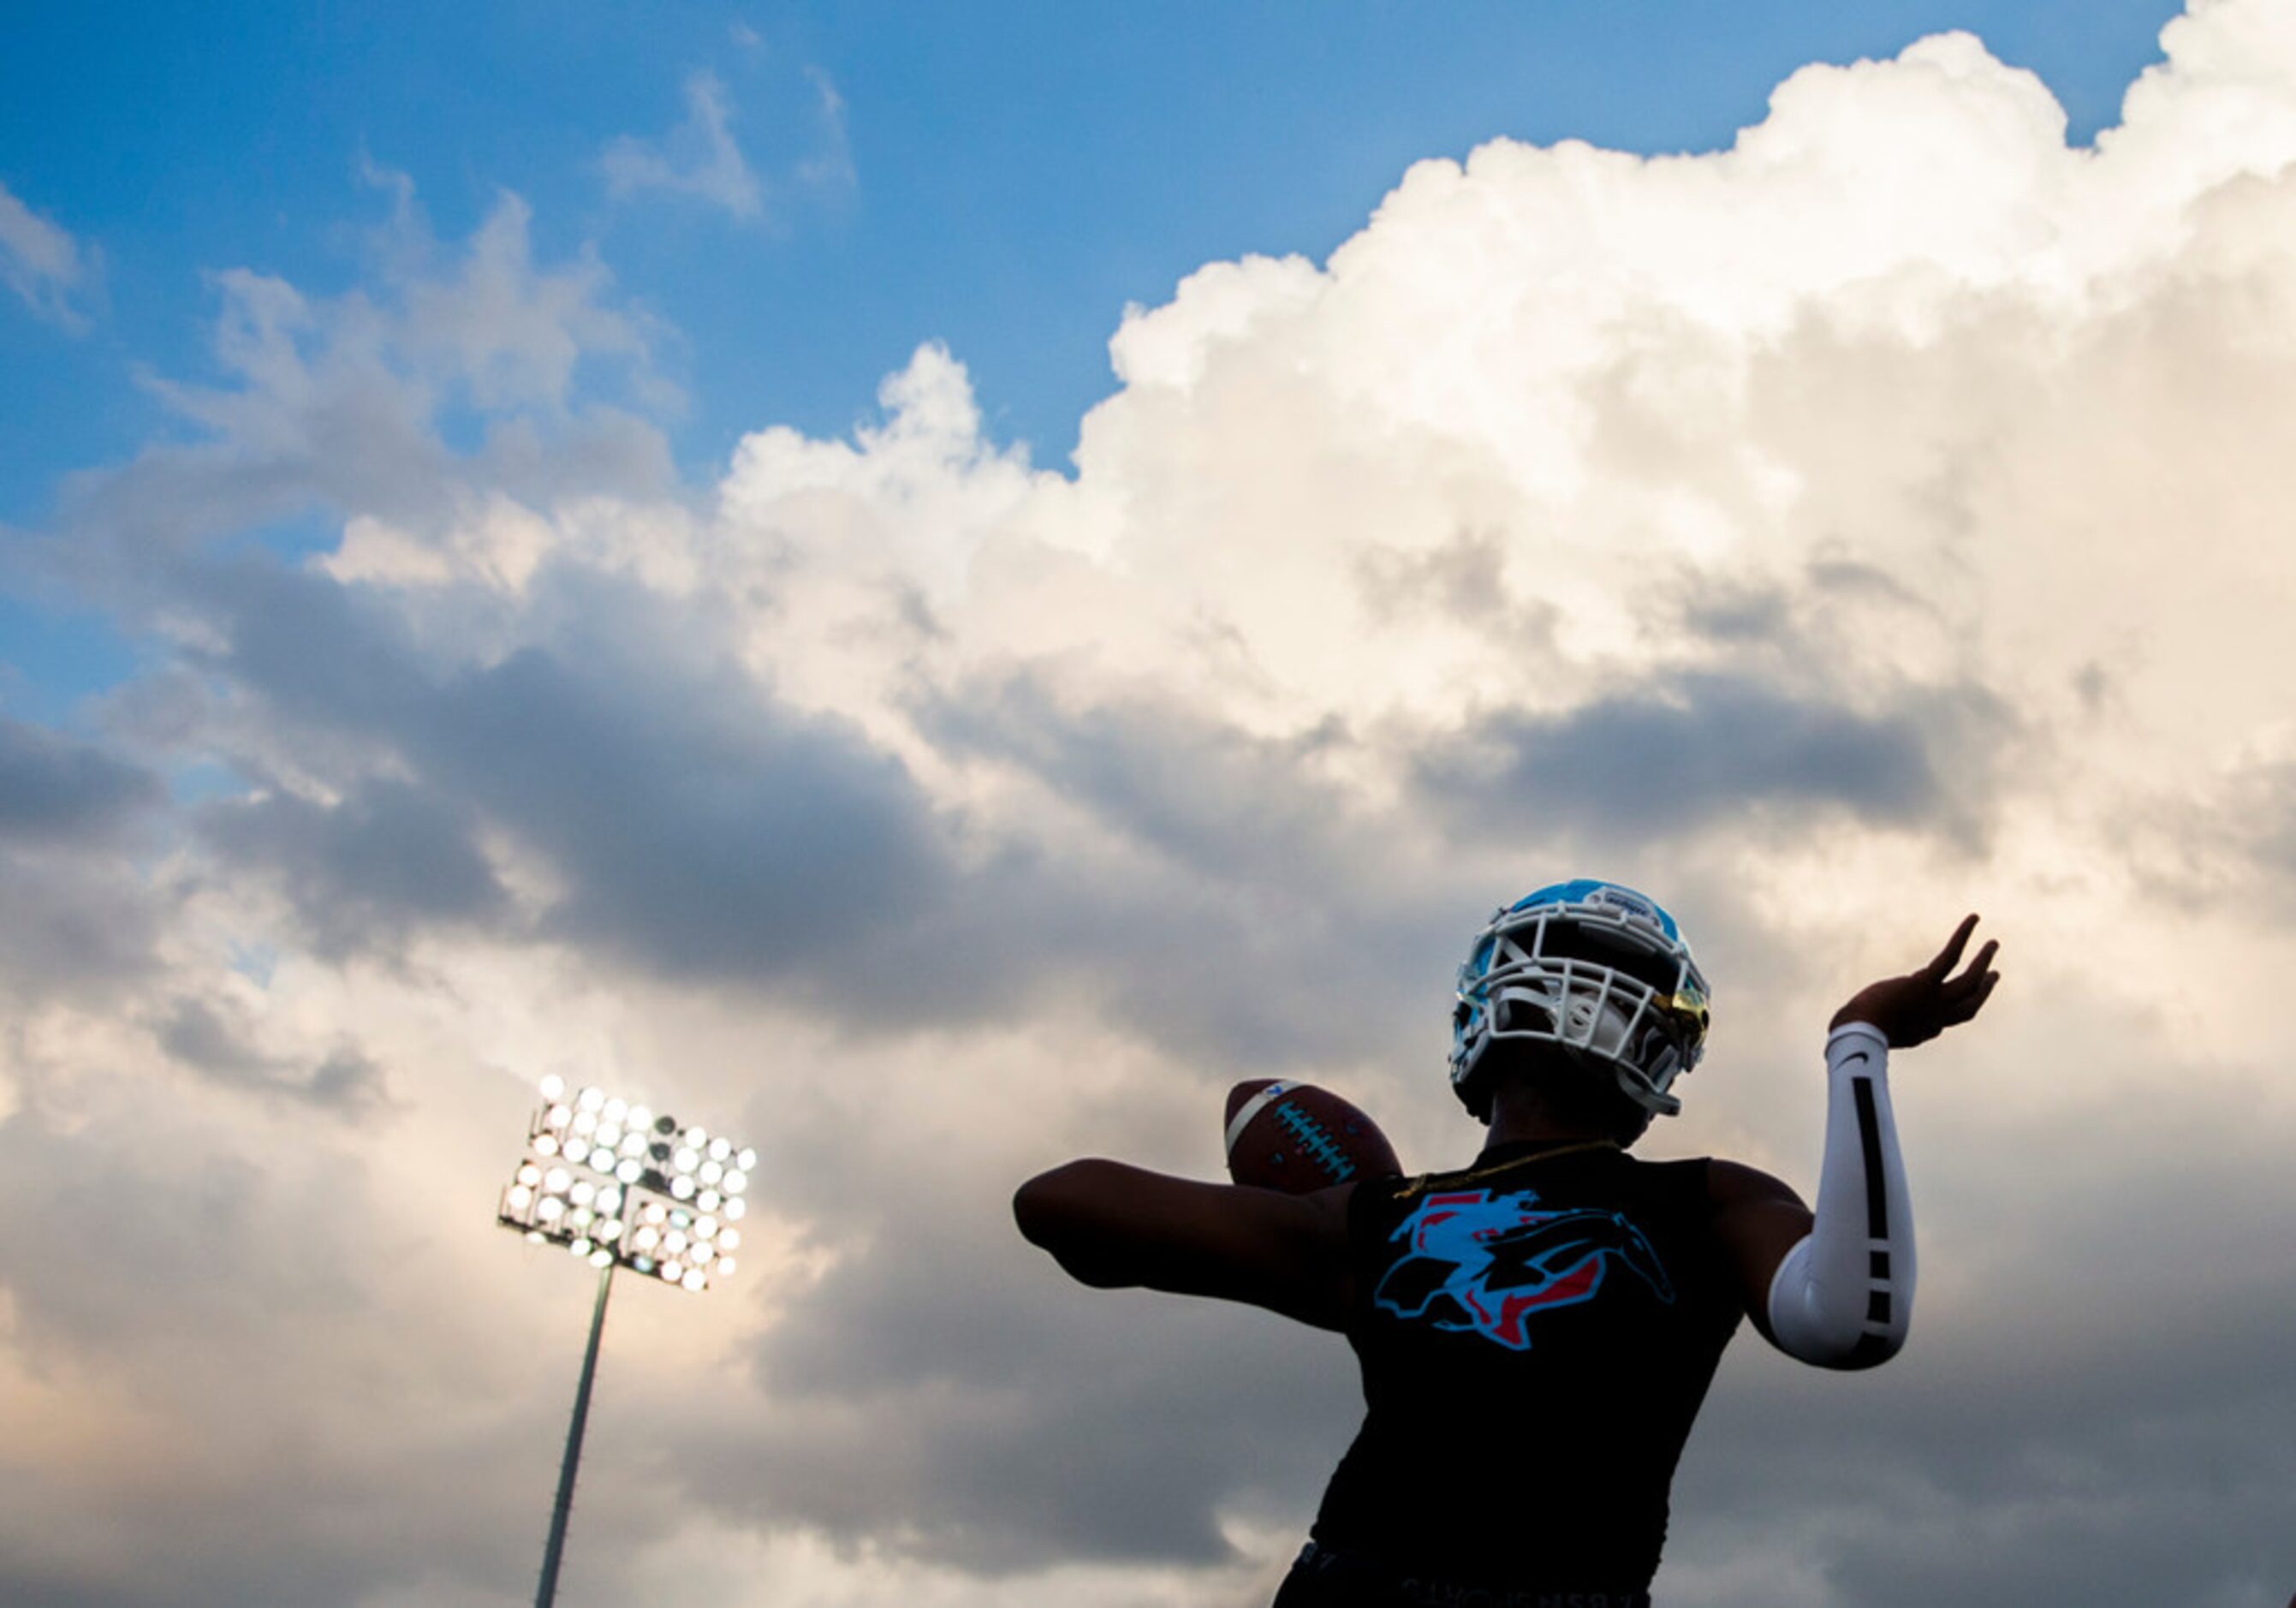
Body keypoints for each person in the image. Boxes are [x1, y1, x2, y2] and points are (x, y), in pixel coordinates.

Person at [1014, 878, 2002, 1605]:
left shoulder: (1377, 1222)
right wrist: (1857, 1043)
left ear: (1484, 1013)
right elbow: (1855, 1318)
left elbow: (1066, 1207)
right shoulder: (1707, 1201)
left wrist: (1346, 1238)